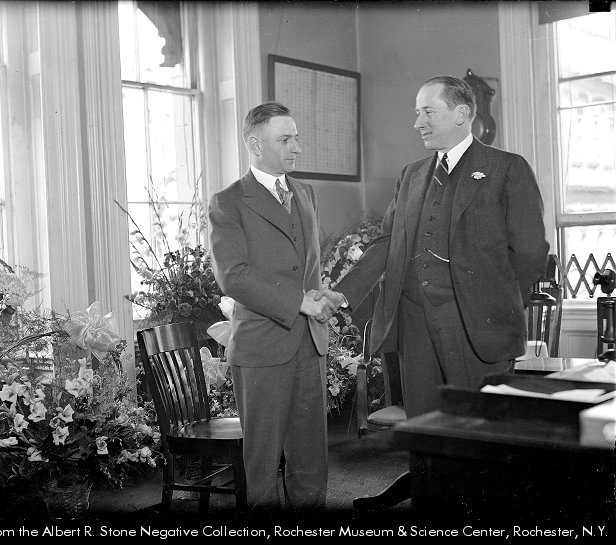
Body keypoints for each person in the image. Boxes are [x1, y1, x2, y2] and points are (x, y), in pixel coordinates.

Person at [326, 75, 550, 418]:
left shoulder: (507, 168)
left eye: (428, 112)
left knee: (480, 430)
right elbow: (388, 243)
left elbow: (531, 252)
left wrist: (495, 302)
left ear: (461, 114)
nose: (418, 123)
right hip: (415, 329)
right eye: (417, 113)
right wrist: (342, 294)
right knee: (425, 431)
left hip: (479, 331)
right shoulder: (411, 175)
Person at [208, 102, 339, 512]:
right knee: (262, 465)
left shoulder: (305, 192)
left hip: (310, 344)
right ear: (254, 143)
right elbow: (234, 276)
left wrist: (321, 298)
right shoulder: (228, 202)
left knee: (311, 462)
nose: (296, 147)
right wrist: (299, 302)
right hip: (261, 346)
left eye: (296, 138)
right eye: (285, 139)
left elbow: (308, 267)